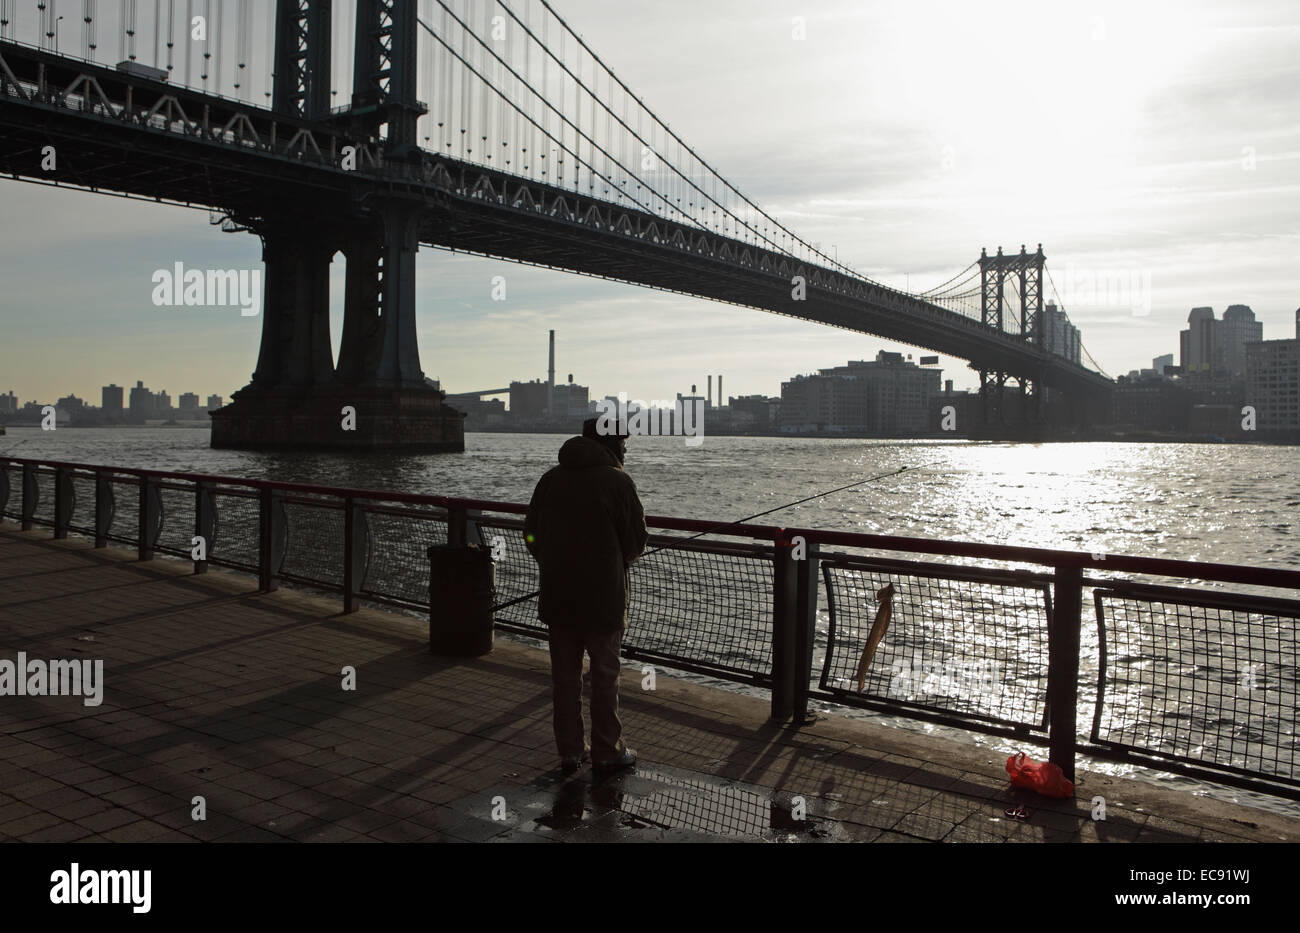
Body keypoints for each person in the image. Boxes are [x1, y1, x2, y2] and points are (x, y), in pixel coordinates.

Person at [524, 417, 648, 775]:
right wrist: (617, 559)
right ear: (610, 443)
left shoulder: (551, 479)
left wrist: (549, 560)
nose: (626, 447)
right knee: (604, 676)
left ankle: (569, 751)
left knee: (564, 678)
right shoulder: (618, 482)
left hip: (558, 595)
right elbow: (636, 541)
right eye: (623, 441)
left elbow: (530, 533)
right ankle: (607, 750)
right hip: (603, 599)